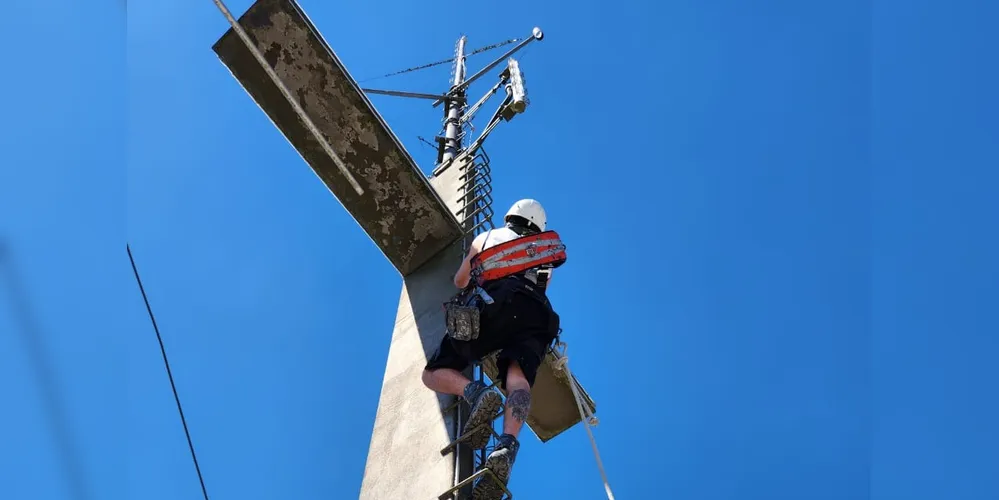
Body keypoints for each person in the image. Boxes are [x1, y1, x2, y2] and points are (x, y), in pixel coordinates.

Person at [422, 198, 562, 499]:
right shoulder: (543, 250)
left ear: (511, 215)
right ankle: (507, 446)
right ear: (538, 225)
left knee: (432, 372)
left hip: (495, 301)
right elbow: (542, 287)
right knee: (518, 375)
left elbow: (461, 281)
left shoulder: (487, 237)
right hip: (538, 314)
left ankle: (475, 392)